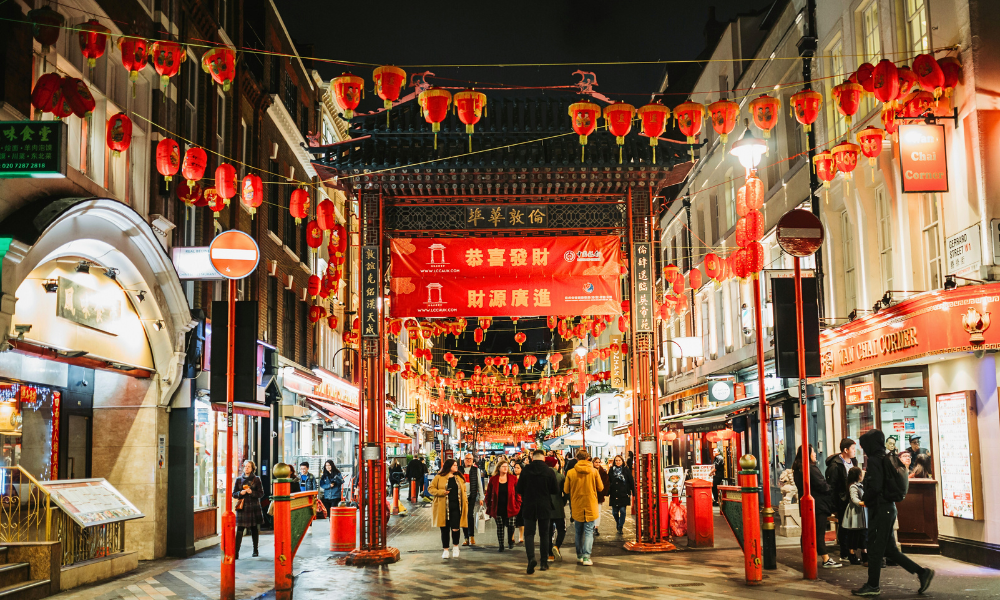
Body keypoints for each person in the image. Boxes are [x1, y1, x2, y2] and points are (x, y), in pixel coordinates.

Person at [853, 429, 934, 596]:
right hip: (889, 508)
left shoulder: (875, 460)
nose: (863, 449)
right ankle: (922, 572)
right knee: (889, 550)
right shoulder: (887, 458)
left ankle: (873, 585)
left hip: (881, 509)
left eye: (864, 445)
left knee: (875, 548)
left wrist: (866, 500)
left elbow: (875, 486)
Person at [793, 444, 842, 568]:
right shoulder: (810, 468)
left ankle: (808, 556)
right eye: (813, 452)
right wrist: (830, 487)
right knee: (819, 532)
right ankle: (826, 559)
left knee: (807, 531)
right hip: (818, 505)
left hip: (806, 504)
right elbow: (823, 486)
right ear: (808, 454)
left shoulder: (798, 469)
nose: (815, 454)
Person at [516, 449, 558, 574]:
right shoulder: (549, 471)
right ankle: (544, 562)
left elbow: (519, 489)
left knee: (529, 534)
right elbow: (555, 490)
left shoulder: (526, 471)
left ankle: (531, 559)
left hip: (529, 505)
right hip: (544, 505)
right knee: (544, 534)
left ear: (532, 458)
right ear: (543, 458)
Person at [564, 449, 603, 566]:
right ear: (588, 459)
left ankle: (579, 555)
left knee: (578, 532)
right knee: (589, 532)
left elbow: (566, 490)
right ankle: (587, 557)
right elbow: (600, 487)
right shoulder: (594, 471)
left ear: (577, 459)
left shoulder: (571, 472)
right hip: (590, 505)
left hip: (577, 506)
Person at [826, 438, 859, 561]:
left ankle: (852, 549)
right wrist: (834, 505)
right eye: (853, 449)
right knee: (844, 526)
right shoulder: (835, 465)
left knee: (853, 526)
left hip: (853, 498)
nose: (855, 451)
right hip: (842, 500)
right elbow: (832, 486)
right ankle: (844, 552)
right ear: (845, 450)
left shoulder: (853, 461)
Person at [429, 458, 468, 559]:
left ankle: (455, 546)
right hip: (443, 507)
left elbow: (464, 490)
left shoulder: (459, 477)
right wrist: (442, 492)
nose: (456, 467)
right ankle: (445, 549)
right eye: (454, 465)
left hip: (457, 507)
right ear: (449, 466)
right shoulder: (439, 477)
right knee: (444, 529)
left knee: (455, 528)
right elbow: (431, 489)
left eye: (456, 465)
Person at [232, 460, 264, 559]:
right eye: (245, 466)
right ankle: (236, 552)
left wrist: (251, 492)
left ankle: (255, 549)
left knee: (254, 529)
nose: (246, 468)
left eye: (249, 466)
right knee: (240, 530)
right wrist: (240, 493)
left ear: (252, 468)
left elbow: (261, 493)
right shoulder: (238, 480)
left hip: (253, 507)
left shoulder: (257, 479)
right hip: (242, 508)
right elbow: (233, 494)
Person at [485, 461, 520, 551]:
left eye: (507, 466)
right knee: (500, 526)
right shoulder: (493, 479)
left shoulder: (513, 478)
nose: (505, 468)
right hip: (498, 506)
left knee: (511, 525)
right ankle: (501, 544)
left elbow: (518, 493)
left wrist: (518, 504)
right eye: (503, 466)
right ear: (499, 468)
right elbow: (488, 493)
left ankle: (510, 541)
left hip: (511, 506)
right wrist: (488, 504)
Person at [841, 467, 868, 566]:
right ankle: (853, 554)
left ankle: (863, 553)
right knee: (855, 534)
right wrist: (862, 503)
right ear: (858, 475)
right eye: (861, 474)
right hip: (855, 513)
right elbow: (854, 498)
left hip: (861, 512)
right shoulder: (853, 486)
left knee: (863, 533)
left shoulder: (860, 485)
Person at [458, 453, 486, 546]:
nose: (468, 460)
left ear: (473, 460)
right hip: (462, 497)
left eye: (470, 459)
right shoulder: (459, 470)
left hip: (472, 496)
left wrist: (481, 497)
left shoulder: (476, 470)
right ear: (464, 460)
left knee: (470, 515)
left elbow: (479, 484)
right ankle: (466, 537)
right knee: (464, 516)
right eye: (467, 458)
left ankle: (471, 536)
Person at [543, 456, 568, 561]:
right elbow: (566, 492)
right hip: (558, 506)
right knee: (561, 529)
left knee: (548, 531)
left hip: (545, 507)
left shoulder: (542, 476)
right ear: (554, 464)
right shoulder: (560, 477)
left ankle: (550, 555)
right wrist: (563, 501)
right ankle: (556, 546)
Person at [608, 455, 634, 535]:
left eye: (619, 460)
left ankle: (620, 526)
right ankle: (618, 522)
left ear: (622, 461)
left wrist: (633, 492)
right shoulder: (611, 470)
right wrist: (607, 492)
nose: (618, 462)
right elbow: (608, 481)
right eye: (616, 460)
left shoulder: (626, 470)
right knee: (614, 512)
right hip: (614, 493)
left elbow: (631, 481)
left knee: (622, 511)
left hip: (623, 493)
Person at [593, 457, 610, 537]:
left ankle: (596, 527)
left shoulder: (603, 472)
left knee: (598, 512)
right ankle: (592, 526)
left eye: (599, 462)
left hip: (599, 495)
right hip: (591, 495)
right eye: (596, 462)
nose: (597, 464)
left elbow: (606, 483)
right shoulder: (590, 471)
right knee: (592, 512)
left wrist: (603, 492)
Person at [512, 462, 525, 543]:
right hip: (512, 501)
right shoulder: (511, 478)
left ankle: (521, 537)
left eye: (518, 468)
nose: (515, 469)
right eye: (515, 467)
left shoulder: (524, 478)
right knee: (512, 520)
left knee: (521, 519)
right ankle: (512, 536)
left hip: (522, 501)